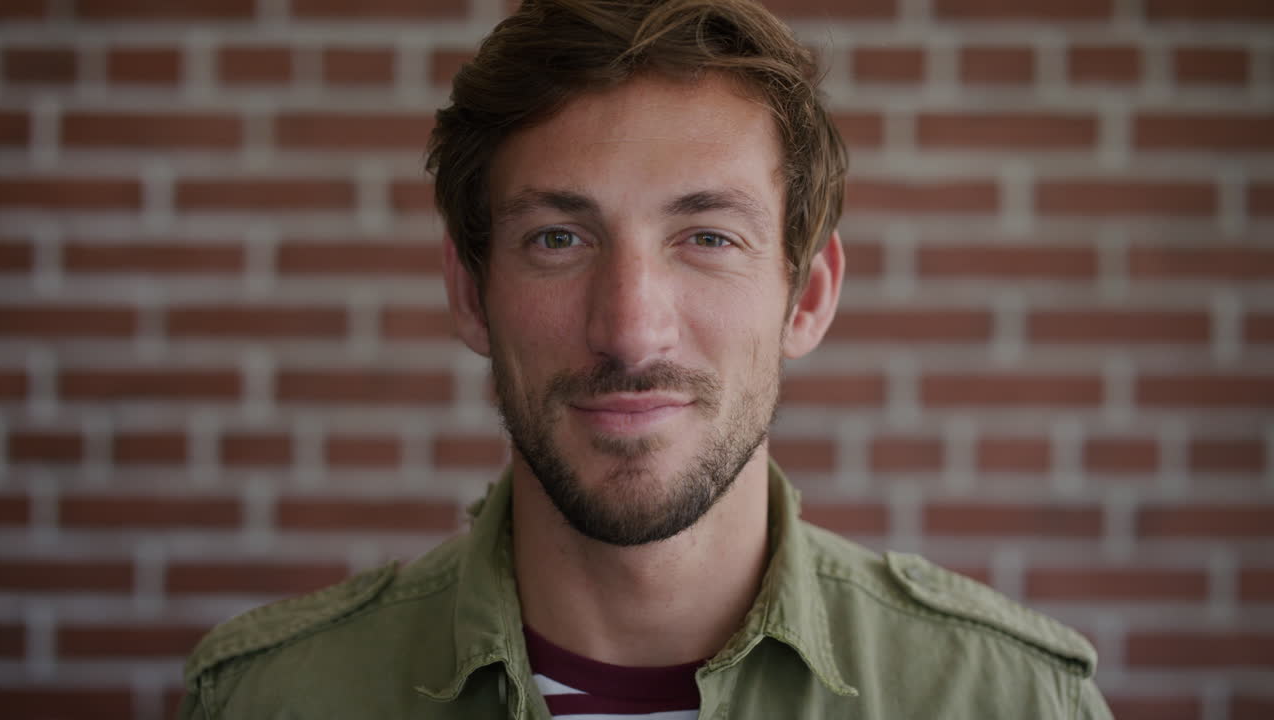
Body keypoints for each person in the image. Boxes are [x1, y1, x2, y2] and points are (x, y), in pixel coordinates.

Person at [179, 1, 1113, 717]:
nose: (630, 331)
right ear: (471, 292)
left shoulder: (1012, 699)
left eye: (707, 237)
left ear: (811, 295)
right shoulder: (271, 699)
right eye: (557, 238)